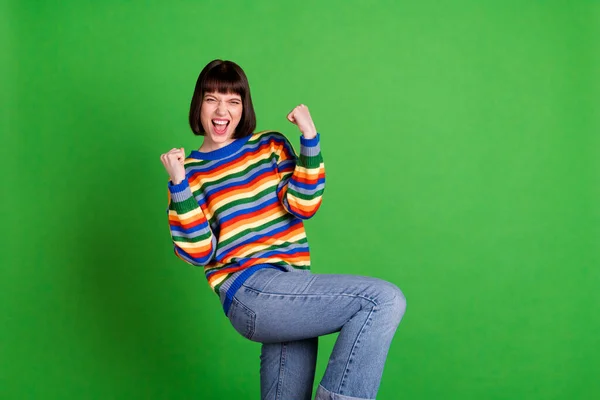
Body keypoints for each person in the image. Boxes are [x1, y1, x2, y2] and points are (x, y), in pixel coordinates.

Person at [160, 59, 406, 400]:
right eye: (211, 98)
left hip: (292, 288)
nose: (222, 110)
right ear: (198, 104)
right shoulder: (188, 171)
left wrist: (309, 137)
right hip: (249, 291)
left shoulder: (269, 147)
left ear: (243, 107)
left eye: (233, 100)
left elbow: (303, 205)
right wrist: (179, 185)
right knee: (383, 300)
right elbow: (198, 252)